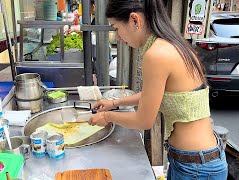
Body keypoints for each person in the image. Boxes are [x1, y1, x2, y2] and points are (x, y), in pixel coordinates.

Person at [89, 0, 228, 179]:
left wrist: (107, 117)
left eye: (116, 28)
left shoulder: (156, 54)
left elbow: (144, 120)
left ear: (134, 20)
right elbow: (154, 95)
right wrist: (114, 102)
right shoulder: (173, 44)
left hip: (196, 169)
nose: (118, 37)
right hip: (197, 161)